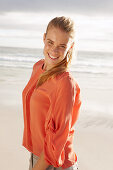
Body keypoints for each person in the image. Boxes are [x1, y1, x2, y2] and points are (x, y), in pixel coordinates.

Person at [22, 16, 81, 170]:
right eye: (51, 42)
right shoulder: (38, 67)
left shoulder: (65, 83)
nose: (54, 50)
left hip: (55, 162)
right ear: (44, 38)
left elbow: (56, 141)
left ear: (71, 46)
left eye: (62, 45)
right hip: (38, 155)